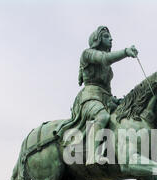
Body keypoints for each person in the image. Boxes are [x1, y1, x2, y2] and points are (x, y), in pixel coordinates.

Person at [55, 26, 138, 164]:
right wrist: (125, 52)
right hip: (89, 97)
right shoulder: (87, 54)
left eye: (110, 36)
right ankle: (93, 155)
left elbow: (107, 89)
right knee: (103, 116)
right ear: (97, 39)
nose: (111, 39)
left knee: (123, 118)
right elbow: (105, 59)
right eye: (106, 36)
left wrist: (117, 101)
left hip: (105, 98)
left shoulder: (107, 67)